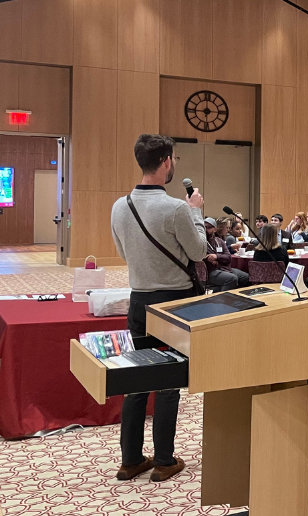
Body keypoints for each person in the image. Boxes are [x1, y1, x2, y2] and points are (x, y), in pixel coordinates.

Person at [110, 134, 205, 482]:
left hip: (138, 299)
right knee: (168, 383)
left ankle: (131, 460)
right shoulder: (177, 208)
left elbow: (123, 254)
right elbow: (198, 252)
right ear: (166, 161)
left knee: (137, 380)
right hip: (173, 303)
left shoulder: (121, 206)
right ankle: (164, 460)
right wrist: (195, 213)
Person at [203, 217, 249, 291]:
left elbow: (228, 257)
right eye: (203, 227)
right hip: (211, 271)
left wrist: (217, 257)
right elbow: (205, 258)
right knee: (232, 278)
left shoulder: (219, 241)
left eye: (208, 227)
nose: (205, 229)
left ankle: (236, 299)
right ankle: (224, 300)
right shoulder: (201, 243)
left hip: (225, 269)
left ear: (215, 229)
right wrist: (220, 259)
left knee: (246, 277)